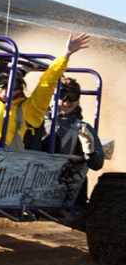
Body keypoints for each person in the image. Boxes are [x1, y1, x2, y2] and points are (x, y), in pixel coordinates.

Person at [0, 5, 90, 148]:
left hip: (14, 160)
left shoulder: (30, 109)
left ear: (19, 88)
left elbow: (47, 83)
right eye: (1, 82)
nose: (5, 88)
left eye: (12, 84)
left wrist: (65, 55)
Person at [42, 77, 104, 207]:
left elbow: (97, 165)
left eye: (72, 96)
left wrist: (90, 150)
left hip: (66, 186)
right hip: (35, 178)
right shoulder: (38, 120)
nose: (67, 101)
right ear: (54, 97)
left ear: (78, 99)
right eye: (62, 95)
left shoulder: (83, 128)